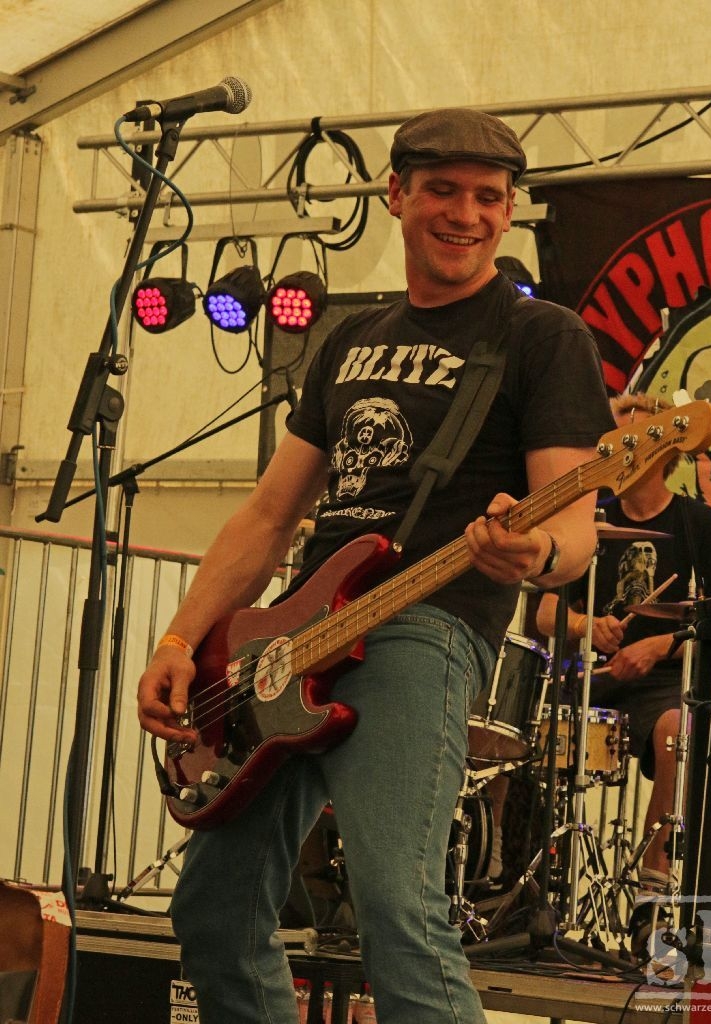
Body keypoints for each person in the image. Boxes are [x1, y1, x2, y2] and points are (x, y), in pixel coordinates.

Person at [136, 107, 614, 1024]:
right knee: (214, 910)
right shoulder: (349, 340)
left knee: (398, 907)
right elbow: (268, 516)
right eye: (443, 191)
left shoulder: (541, 336)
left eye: (488, 197)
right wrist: (180, 639)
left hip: (424, 628)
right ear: (395, 194)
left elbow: (573, 526)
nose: (465, 214)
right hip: (292, 640)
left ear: (508, 211)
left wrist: (535, 550)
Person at [535, 391, 711, 956]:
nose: (616, 450)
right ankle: (508, 880)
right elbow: (546, 612)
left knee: (675, 732)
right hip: (590, 676)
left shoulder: (698, 525)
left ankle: (652, 896)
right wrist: (586, 626)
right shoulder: (589, 519)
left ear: (662, 449)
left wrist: (659, 646)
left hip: (662, 683)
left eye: (629, 439)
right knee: (513, 727)